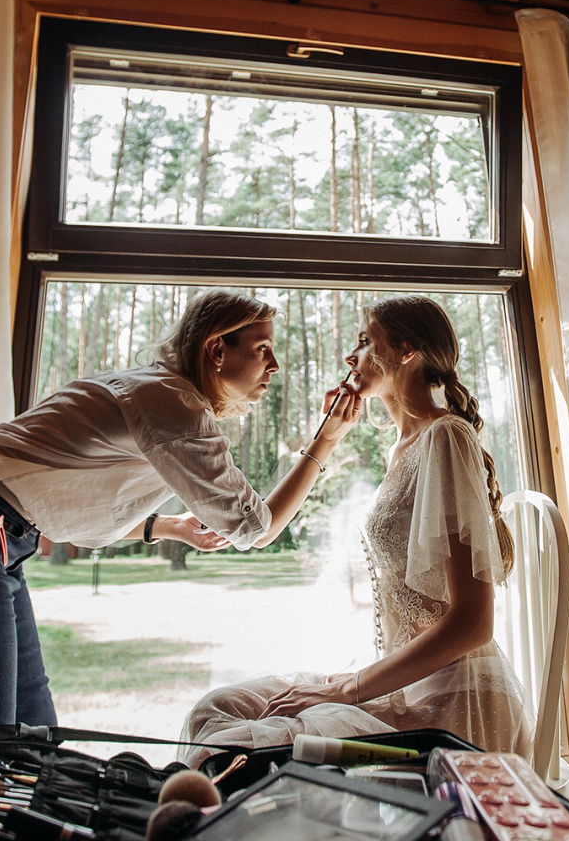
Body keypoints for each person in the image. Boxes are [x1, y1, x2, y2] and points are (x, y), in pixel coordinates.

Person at [0, 289, 361, 726]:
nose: (274, 365)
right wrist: (326, 442)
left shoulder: (159, 394)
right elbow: (255, 527)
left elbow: (64, 505)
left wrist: (169, 527)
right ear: (216, 349)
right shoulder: (173, 402)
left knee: (32, 735)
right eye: (262, 349)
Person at [180, 295, 532, 762]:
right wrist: (327, 438)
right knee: (216, 708)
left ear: (407, 352)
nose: (352, 357)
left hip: (453, 703)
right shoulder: (401, 449)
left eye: (366, 342)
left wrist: (348, 690)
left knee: (227, 748)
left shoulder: (445, 437)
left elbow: (474, 623)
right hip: (401, 682)